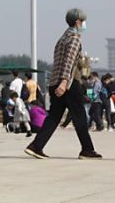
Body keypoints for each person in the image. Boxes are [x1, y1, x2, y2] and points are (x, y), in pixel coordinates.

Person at [25, 8, 100, 160]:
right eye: (83, 21)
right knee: (79, 117)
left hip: (55, 81)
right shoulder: (74, 38)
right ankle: (87, 149)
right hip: (69, 84)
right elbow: (69, 63)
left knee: (54, 116)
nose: (84, 24)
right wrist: (65, 82)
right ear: (77, 22)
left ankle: (36, 146)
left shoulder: (62, 38)